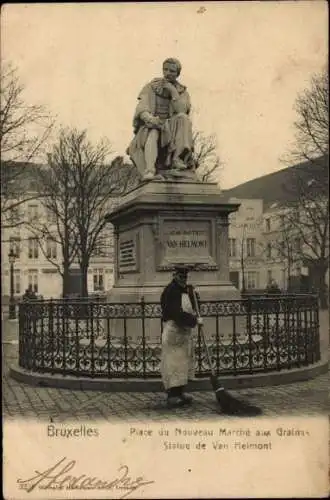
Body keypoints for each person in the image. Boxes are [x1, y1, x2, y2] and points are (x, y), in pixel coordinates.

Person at [127, 58, 194, 181]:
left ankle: (177, 159)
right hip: (151, 125)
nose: (168, 73)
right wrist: (152, 120)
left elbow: (181, 111)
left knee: (183, 118)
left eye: (172, 71)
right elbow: (142, 110)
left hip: (170, 128)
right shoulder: (151, 87)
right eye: (165, 69)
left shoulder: (182, 91)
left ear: (177, 73)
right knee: (153, 132)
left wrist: (173, 91)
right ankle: (150, 171)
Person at [160, 264, 203, 408]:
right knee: (174, 365)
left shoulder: (186, 290)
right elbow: (175, 313)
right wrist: (194, 320)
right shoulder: (171, 291)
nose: (183, 279)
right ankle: (172, 396)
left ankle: (180, 393)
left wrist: (195, 297)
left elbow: (194, 306)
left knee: (183, 365)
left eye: (185, 277)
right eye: (180, 276)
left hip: (184, 333)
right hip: (174, 333)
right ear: (174, 276)